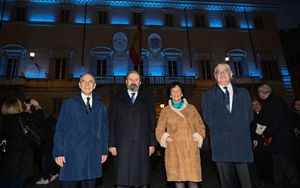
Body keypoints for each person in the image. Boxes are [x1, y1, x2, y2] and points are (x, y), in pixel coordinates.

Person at [201, 63, 253, 188]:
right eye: (218, 72)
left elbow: (249, 116)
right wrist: (225, 131)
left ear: (231, 74)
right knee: (226, 183)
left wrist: (237, 130)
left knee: (246, 182)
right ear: (215, 76)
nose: (222, 74)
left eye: (225, 71)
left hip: (241, 143)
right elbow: (208, 119)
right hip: (221, 144)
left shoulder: (243, 93)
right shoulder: (208, 95)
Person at [53, 73, 108, 188]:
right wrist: (58, 152)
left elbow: (103, 130)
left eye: (90, 81)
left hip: (92, 156)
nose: (87, 84)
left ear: (94, 86)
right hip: (71, 155)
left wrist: (103, 150)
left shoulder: (101, 106)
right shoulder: (68, 104)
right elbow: (60, 129)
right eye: (84, 81)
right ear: (79, 84)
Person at [108, 70, 156, 188]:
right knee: (122, 181)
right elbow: (111, 122)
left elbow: (151, 123)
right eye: (130, 79)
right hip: (122, 146)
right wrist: (111, 144)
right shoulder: (116, 98)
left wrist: (152, 143)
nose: (133, 82)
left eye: (136, 80)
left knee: (142, 181)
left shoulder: (148, 99)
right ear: (126, 82)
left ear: (140, 82)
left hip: (142, 145)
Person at [156, 82, 206, 188]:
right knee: (178, 182)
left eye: (178, 90)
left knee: (193, 181)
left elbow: (200, 125)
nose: (176, 93)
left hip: (190, 150)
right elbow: (159, 129)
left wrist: (198, 137)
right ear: (170, 94)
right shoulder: (165, 111)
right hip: (174, 150)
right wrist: (165, 138)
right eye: (173, 91)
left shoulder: (191, 108)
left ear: (182, 93)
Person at [257, 84, 300, 188]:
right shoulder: (277, 100)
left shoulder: (271, 103)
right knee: (279, 167)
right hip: (280, 140)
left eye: (258, 93)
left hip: (279, 141)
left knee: (286, 167)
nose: (258, 95)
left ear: (263, 93)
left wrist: (265, 133)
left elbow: (274, 123)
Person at [0, 97, 40, 188]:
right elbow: (39, 124)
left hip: (5, 162)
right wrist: (37, 106)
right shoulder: (23, 118)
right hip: (21, 163)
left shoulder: (3, 120)